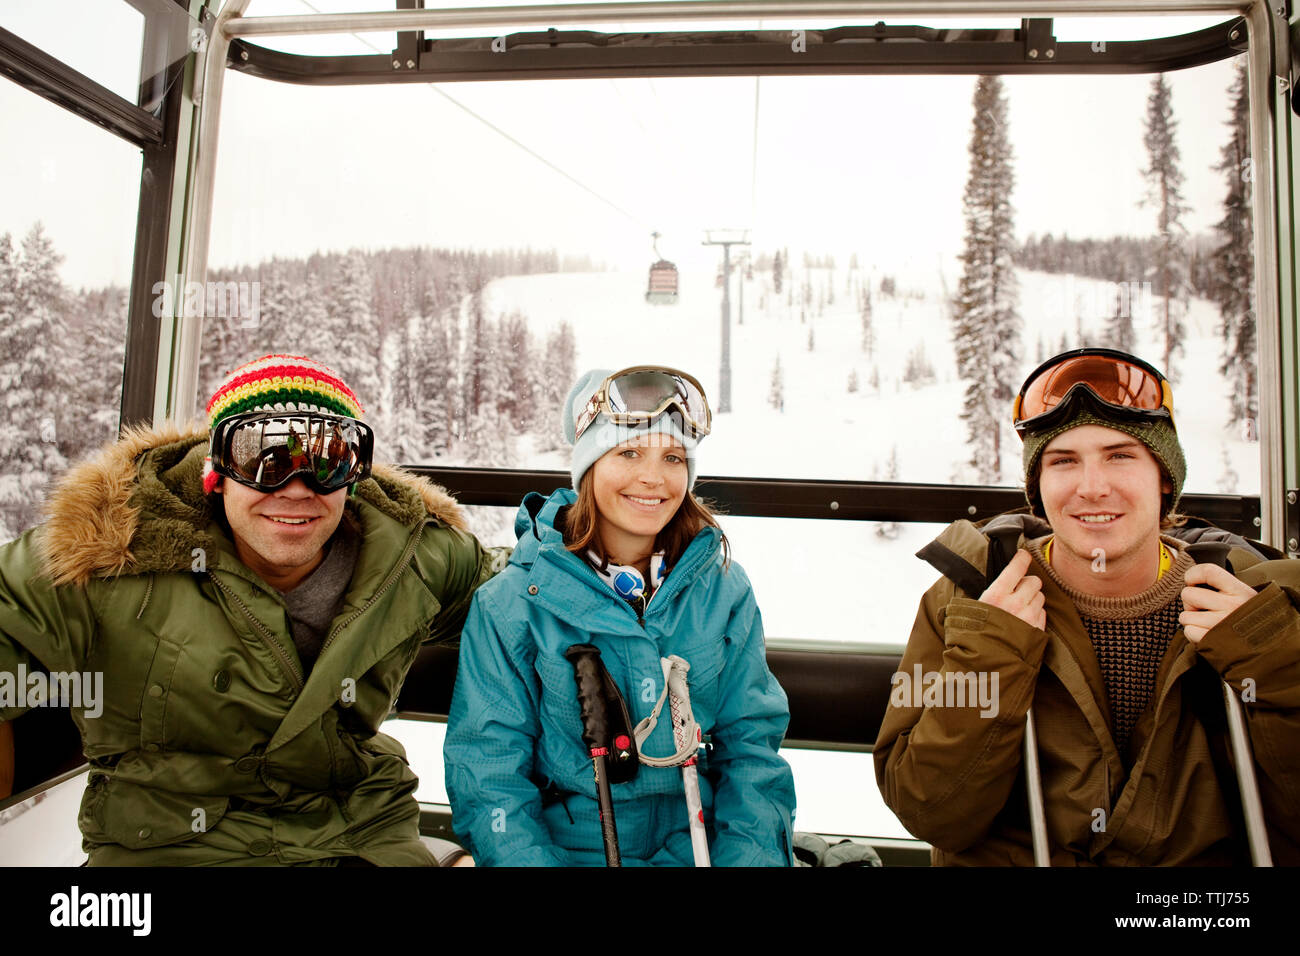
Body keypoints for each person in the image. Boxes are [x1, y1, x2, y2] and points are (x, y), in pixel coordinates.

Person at [0, 354, 505, 865]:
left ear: (353, 478)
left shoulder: (408, 559)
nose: (297, 487)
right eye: (264, 458)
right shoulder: (110, 560)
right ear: (215, 473)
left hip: (358, 835)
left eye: (329, 459)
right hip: (170, 846)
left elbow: (527, 593)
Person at [875, 348, 1300, 866]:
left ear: (1164, 478)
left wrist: (1278, 664)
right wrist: (991, 659)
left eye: (1120, 456)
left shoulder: (1256, 604)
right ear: (1038, 487)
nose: (1092, 487)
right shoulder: (969, 597)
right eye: (1062, 461)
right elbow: (930, 811)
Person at [445, 366, 795, 866]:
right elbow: (489, 777)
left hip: (700, 847)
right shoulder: (514, 604)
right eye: (628, 453)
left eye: (673, 457)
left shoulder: (721, 590)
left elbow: (752, 753)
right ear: (589, 467)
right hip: (575, 851)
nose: (653, 478)